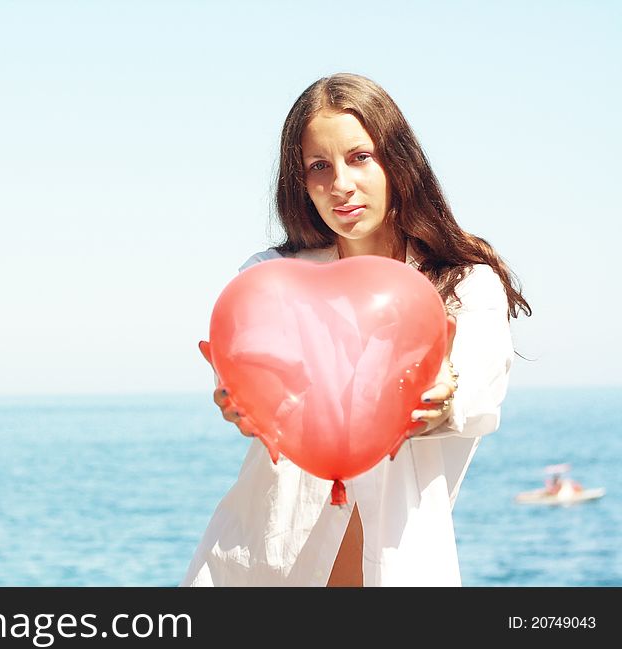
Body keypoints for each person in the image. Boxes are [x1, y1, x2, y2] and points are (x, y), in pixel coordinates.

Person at [181, 73, 531, 587]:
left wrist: (441, 396)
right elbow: (253, 374)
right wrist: (241, 402)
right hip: (259, 567)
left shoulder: (463, 285)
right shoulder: (272, 279)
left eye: (360, 157)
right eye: (319, 166)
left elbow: (478, 395)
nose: (340, 183)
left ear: (398, 161)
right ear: (299, 182)